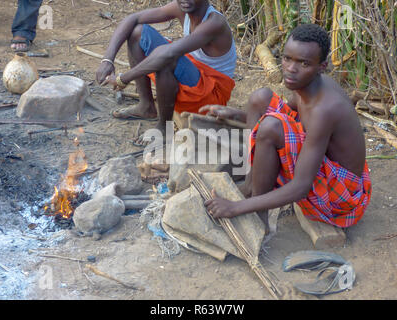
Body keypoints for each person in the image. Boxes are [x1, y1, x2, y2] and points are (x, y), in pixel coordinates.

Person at [202, 24, 372, 232]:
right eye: (287, 58)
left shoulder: (324, 110)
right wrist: (237, 114)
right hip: (321, 163)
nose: (291, 68)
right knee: (260, 98)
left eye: (304, 63)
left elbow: (301, 187)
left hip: (340, 197)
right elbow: (284, 111)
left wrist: (235, 208)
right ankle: (251, 184)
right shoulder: (306, 86)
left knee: (271, 127)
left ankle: (258, 214)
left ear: (322, 66)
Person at [96, 0, 236, 145]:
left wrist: (123, 79)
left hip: (211, 95)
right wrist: (107, 59)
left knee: (166, 59)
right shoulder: (181, 8)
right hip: (194, 77)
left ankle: (164, 128)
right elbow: (132, 19)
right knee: (137, 32)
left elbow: (168, 55)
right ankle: (146, 106)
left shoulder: (215, 23)